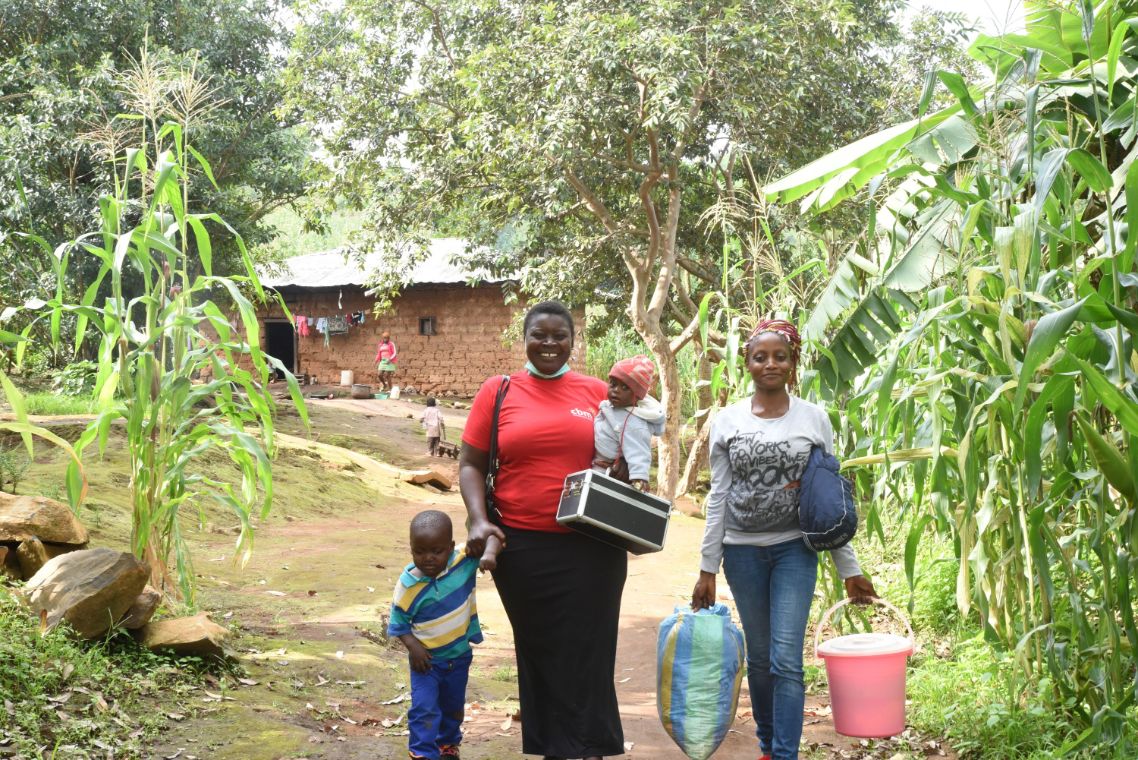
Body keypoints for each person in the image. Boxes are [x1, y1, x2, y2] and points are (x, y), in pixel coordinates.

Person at [691, 319, 877, 760]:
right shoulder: (727, 421)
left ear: (793, 364)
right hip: (741, 552)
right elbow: (718, 495)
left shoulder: (813, 418)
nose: (770, 363)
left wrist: (849, 569)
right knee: (759, 658)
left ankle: (785, 754)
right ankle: (768, 746)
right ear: (748, 364)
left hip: (795, 549)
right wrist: (707, 569)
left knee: (786, 660)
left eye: (780, 356)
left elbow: (825, 496)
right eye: (761, 356)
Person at [460, 300, 623, 760]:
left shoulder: (596, 393)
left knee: (591, 651)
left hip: (594, 546)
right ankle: (556, 748)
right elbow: (470, 463)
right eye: (539, 335)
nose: (549, 344)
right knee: (541, 651)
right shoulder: (500, 390)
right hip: (522, 548)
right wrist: (478, 518)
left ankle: (590, 748)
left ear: (573, 341)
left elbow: (625, 453)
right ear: (524, 338)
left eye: (559, 336)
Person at [388, 510, 482, 760]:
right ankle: (422, 752)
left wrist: (481, 543)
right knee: (424, 708)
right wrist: (413, 647)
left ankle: (448, 745)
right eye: (419, 552)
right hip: (426, 662)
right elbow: (398, 622)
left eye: (437, 551)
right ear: (411, 549)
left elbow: (485, 543)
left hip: (459, 656)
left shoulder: (462, 562)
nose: (428, 559)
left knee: (452, 707)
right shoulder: (408, 585)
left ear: (450, 547)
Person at [593, 354, 665, 492]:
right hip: (598, 465)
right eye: (613, 384)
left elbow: (639, 450)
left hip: (610, 473)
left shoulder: (633, 422)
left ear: (637, 395)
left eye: (625, 388)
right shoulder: (611, 407)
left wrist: (639, 477)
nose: (616, 390)